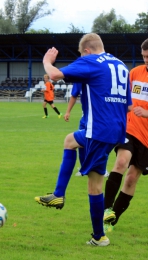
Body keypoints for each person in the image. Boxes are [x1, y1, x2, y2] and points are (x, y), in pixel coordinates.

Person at [34, 33, 132, 246]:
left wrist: (46, 61)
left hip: (99, 130)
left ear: (86, 51)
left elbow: (56, 75)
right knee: (71, 142)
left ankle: (61, 197)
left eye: (81, 54)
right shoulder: (121, 65)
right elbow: (129, 104)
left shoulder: (90, 60)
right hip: (117, 131)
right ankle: (98, 236)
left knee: (93, 185)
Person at [103, 38, 148, 232]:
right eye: (144, 56)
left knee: (131, 179)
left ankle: (112, 218)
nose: (146, 60)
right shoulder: (135, 73)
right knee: (121, 162)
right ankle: (104, 210)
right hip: (129, 129)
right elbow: (122, 97)